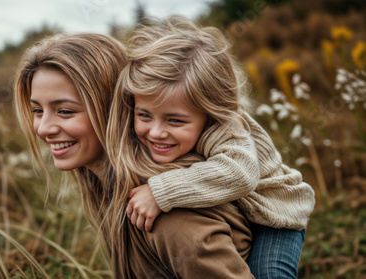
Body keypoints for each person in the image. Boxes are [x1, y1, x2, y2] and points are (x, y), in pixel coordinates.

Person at [14, 33, 254, 278]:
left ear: (116, 109)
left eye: (64, 111)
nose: (43, 128)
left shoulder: (169, 216)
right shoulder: (115, 189)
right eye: (37, 110)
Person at [109, 15, 316, 278]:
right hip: (240, 209)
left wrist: (160, 192)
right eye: (144, 115)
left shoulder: (226, 128)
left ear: (209, 114)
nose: (156, 132)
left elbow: (240, 174)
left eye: (175, 120)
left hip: (274, 217)